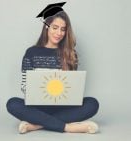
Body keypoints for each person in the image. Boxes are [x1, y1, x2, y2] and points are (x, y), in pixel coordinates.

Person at [6, 4, 99, 134]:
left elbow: (72, 87)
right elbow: (24, 85)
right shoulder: (31, 52)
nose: (59, 33)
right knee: (12, 104)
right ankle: (67, 127)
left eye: (63, 29)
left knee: (92, 104)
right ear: (46, 27)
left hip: (62, 107)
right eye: (55, 28)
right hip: (38, 107)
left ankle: (36, 125)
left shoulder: (70, 53)